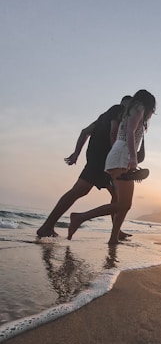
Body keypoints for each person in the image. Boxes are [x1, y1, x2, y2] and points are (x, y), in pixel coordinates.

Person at [36, 95, 144, 239]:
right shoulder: (119, 111)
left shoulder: (104, 117)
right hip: (103, 160)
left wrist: (76, 153)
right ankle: (47, 226)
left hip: (100, 159)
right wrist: (118, 156)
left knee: (116, 197)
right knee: (80, 191)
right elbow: (114, 131)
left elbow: (84, 131)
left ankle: (116, 232)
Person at [67, 90, 156, 245]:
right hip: (122, 156)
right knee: (123, 204)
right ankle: (79, 218)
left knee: (124, 202)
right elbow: (129, 131)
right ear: (148, 105)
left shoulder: (131, 110)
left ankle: (113, 237)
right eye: (153, 109)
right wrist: (133, 159)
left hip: (120, 155)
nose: (152, 113)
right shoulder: (139, 108)